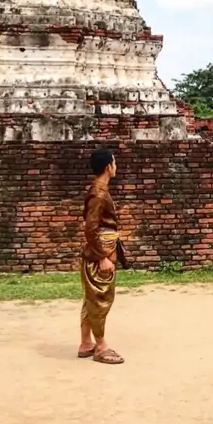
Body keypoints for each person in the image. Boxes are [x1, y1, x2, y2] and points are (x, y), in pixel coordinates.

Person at [77, 147, 124, 364]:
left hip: (101, 248)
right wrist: (101, 256)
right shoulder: (99, 193)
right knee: (100, 298)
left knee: (91, 297)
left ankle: (86, 343)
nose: (116, 166)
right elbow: (90, 228)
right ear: (109, 167)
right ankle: (100, 346)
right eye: (114, 163)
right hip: (100, 252)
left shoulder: (98, 190)